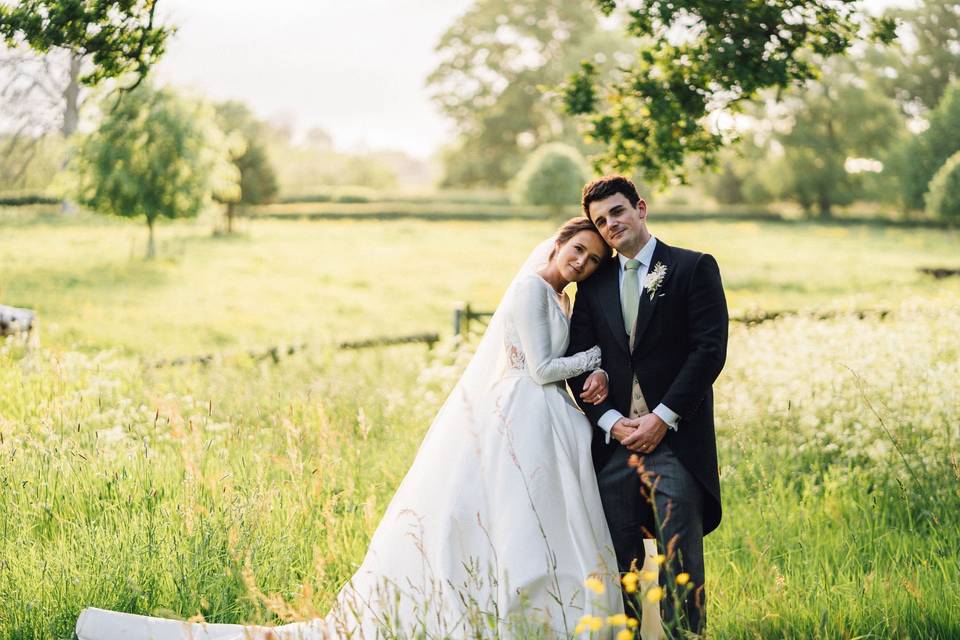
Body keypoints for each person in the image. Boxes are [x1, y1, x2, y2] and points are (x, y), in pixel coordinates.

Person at [75, 217, 630, 640]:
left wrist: (591, 369)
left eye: (593, 258)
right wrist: (597, 358)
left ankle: (534, 609)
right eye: (577, 249)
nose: (582, 261)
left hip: (546, 420)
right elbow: (536, 368)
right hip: (520, 412)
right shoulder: (532, 288)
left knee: (531, 516)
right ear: (557, 245)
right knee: (509, 512)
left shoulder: (561, 297)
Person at [567, 176, 729, 636]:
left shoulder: (693, 268)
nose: (610, 224)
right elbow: (580, 360)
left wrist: (663, 417)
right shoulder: (593, 285)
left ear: (640, 208)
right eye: (600, 220)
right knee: (621, 569)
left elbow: (708, 350)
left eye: (617, 211)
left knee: (682, 564)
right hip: (614, 450)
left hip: (676, 444)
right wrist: (612, 422)